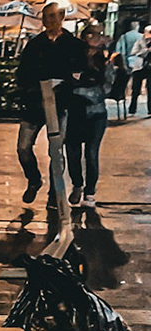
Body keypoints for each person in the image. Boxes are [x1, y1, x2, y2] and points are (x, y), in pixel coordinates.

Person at [14, 2, 87, 206]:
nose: (49, 21)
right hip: (34, 104)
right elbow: (22, 72)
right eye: (45, 17)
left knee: (56, 151)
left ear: (61, 17)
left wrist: (67, 84)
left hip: (61, 105)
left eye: (53, 16)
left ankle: (55, 193)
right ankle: (34, 180)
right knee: (23, 148)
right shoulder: (35, 44)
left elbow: (81, 72)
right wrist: (29, 87)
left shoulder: (74, 44)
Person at [66, 27, 115, 206]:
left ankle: (90, 192)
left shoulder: (104, 61)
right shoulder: (72, 59)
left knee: (91, 153)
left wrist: (79, 88)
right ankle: (77, 184)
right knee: (73, 152)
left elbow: (106, 88)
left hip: (96, 114)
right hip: (74, 112)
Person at [120, 19, 147, 115]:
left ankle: (132, 107)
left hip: (132, 63)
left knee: (134, 86)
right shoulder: (141, 37)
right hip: (141, 64)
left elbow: (121, 51)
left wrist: (123, 63)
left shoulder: (124, 37)